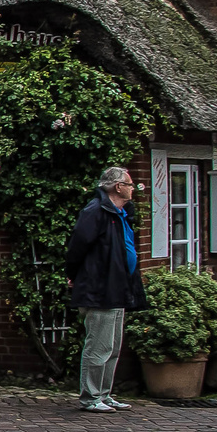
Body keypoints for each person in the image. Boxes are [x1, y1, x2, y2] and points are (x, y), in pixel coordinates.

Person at [64, 166, 146, 414]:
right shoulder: (96, 211)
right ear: (117, 187)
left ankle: (104, 393)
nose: (132, 188)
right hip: (100, 287)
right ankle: (91, 396)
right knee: (98, 345)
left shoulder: (120, 213)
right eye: (129, 184)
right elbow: (78, 244)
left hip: (118, 286)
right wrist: (74, 274)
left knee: (112, 346)